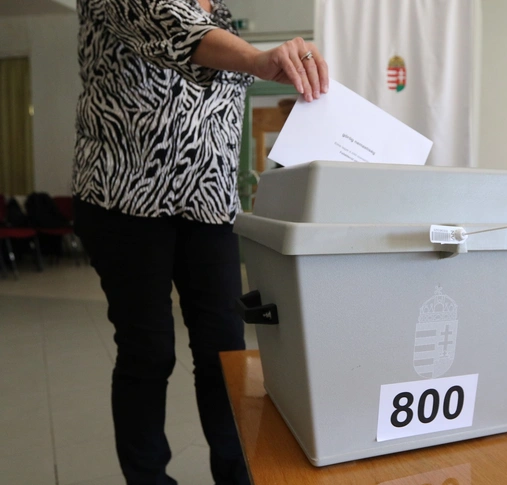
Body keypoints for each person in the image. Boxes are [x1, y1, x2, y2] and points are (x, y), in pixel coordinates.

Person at [71, 1, 328, 484]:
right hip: (125, 195)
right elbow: (168, 22)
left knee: (226, 352)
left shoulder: (222, 12)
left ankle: (237, 474)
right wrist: (257, 59)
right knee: (148, 351)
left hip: (210, 204)